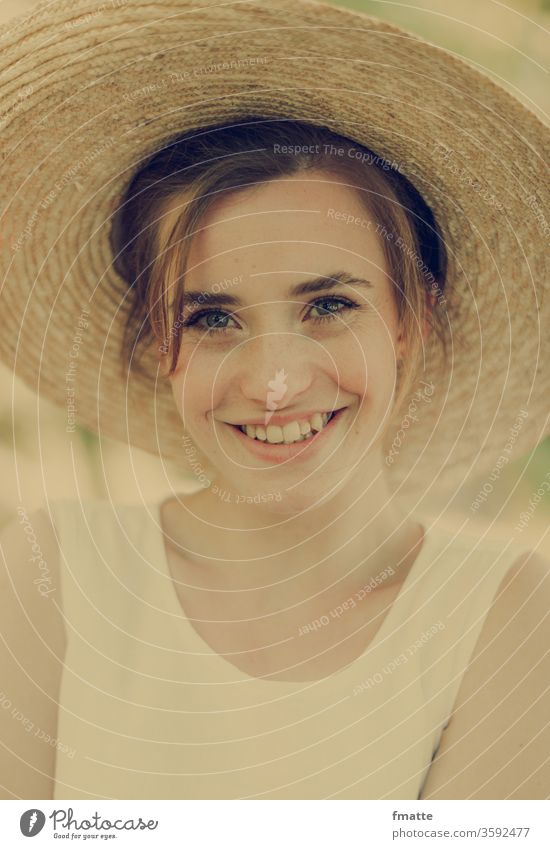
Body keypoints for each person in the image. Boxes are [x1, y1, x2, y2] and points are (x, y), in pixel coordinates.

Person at [0, 0, 548, 801]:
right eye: (213, 318)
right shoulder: (55, 573)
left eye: (329, 305)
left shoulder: (508, 611)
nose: (275, 381)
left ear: (411, 317)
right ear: (160, 347)